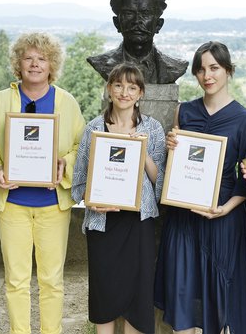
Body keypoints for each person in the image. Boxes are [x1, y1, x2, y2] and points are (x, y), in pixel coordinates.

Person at [0, 32, 85, 334]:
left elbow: (82, 147)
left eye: (42, 58)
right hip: (13, 205)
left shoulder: (67, 102)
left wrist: (66, 164)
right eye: (28, 58)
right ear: (18, 63)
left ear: (52, 65)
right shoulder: (1, 101)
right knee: (16, 280)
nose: (35, 64)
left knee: (52, 281)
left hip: (53, 206)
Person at [154, 41, 246, 334]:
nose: (207, 75)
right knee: (182, 296)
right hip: (183, 219)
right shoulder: (184, 112)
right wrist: (169, 147)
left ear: (228, 70)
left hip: (223, 219)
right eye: (200, 69)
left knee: (220, 303)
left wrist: (226, 207)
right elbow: (171, 168)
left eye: (214, 68)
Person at [72, 64, 166, 334]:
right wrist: (92, 201)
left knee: (138, 297)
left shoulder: (153, 128)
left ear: (140, 93)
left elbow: (160, 183)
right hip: (103, 224)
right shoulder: (94, 128)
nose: (124, 92)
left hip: (139, 223)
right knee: (105, 294)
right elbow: (80, 182)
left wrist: (143, 150)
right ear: (109, 89)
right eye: (118, 85)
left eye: (132, 87)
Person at [87, 0, 188, 84]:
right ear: (117, 23)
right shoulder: (103, 63)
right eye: (129, 13)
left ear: (158, 24)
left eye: (145, 13)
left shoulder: (173, 67)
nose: (137, 21)